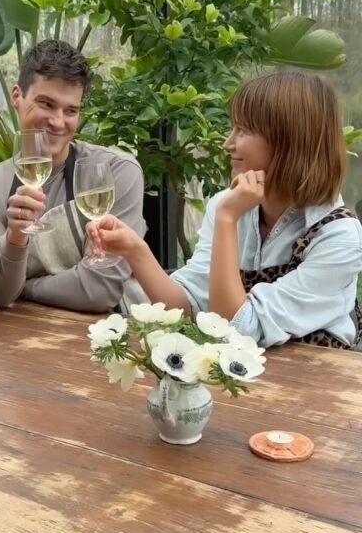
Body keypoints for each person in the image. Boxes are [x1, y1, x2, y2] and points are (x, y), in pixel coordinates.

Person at [88, 71, 362, 348]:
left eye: (243, 130)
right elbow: (186, 308)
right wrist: (136, 251)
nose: (227, 144)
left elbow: (236, 329)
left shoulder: (338, 237)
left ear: (290, 142)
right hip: (237, 378)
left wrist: (228, 220)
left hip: (315, 383)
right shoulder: (228, 204)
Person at [0, 39, 146, 312]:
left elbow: (100, 289)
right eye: (46, 104)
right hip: (20, 343)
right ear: (17, 96)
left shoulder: (115, 172)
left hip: (107, 338)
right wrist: (15, 235)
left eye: (71, 110)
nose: (58, 121)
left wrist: (24, 288)